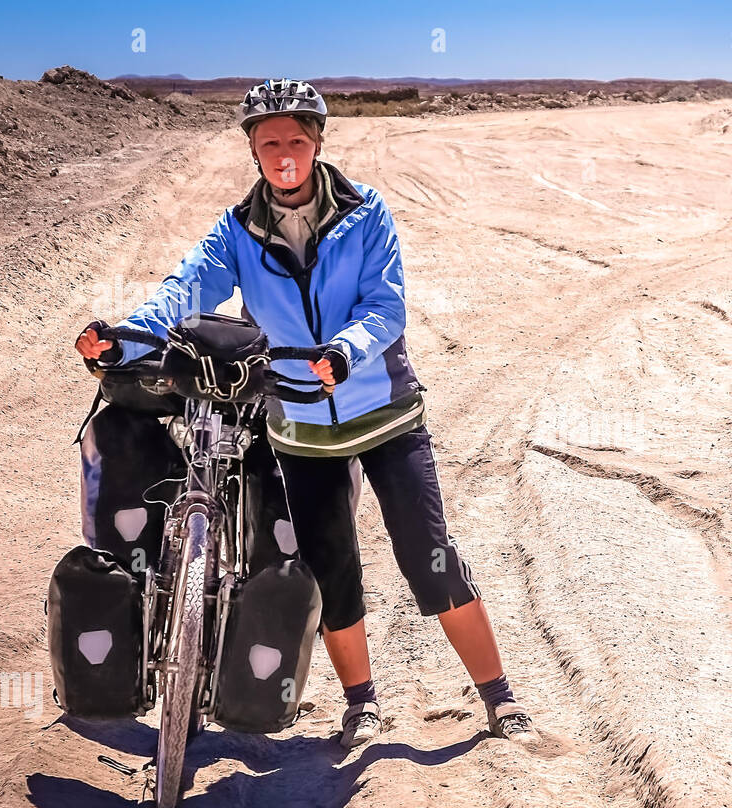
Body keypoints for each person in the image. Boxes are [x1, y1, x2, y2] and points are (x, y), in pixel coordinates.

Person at [75, 78, 537, 749]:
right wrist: (125, 334)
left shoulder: (365, 211)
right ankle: (362, 705)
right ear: (254, 152)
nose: (284, 152)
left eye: (296, 139)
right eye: (270, 143)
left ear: (317, 142)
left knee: (428, 558)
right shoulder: (238, 229)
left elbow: (386, 307)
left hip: (383, 412)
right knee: (330, 567)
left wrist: (344, 353)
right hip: (298, 426)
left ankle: (500, 698)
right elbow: (186, 292)